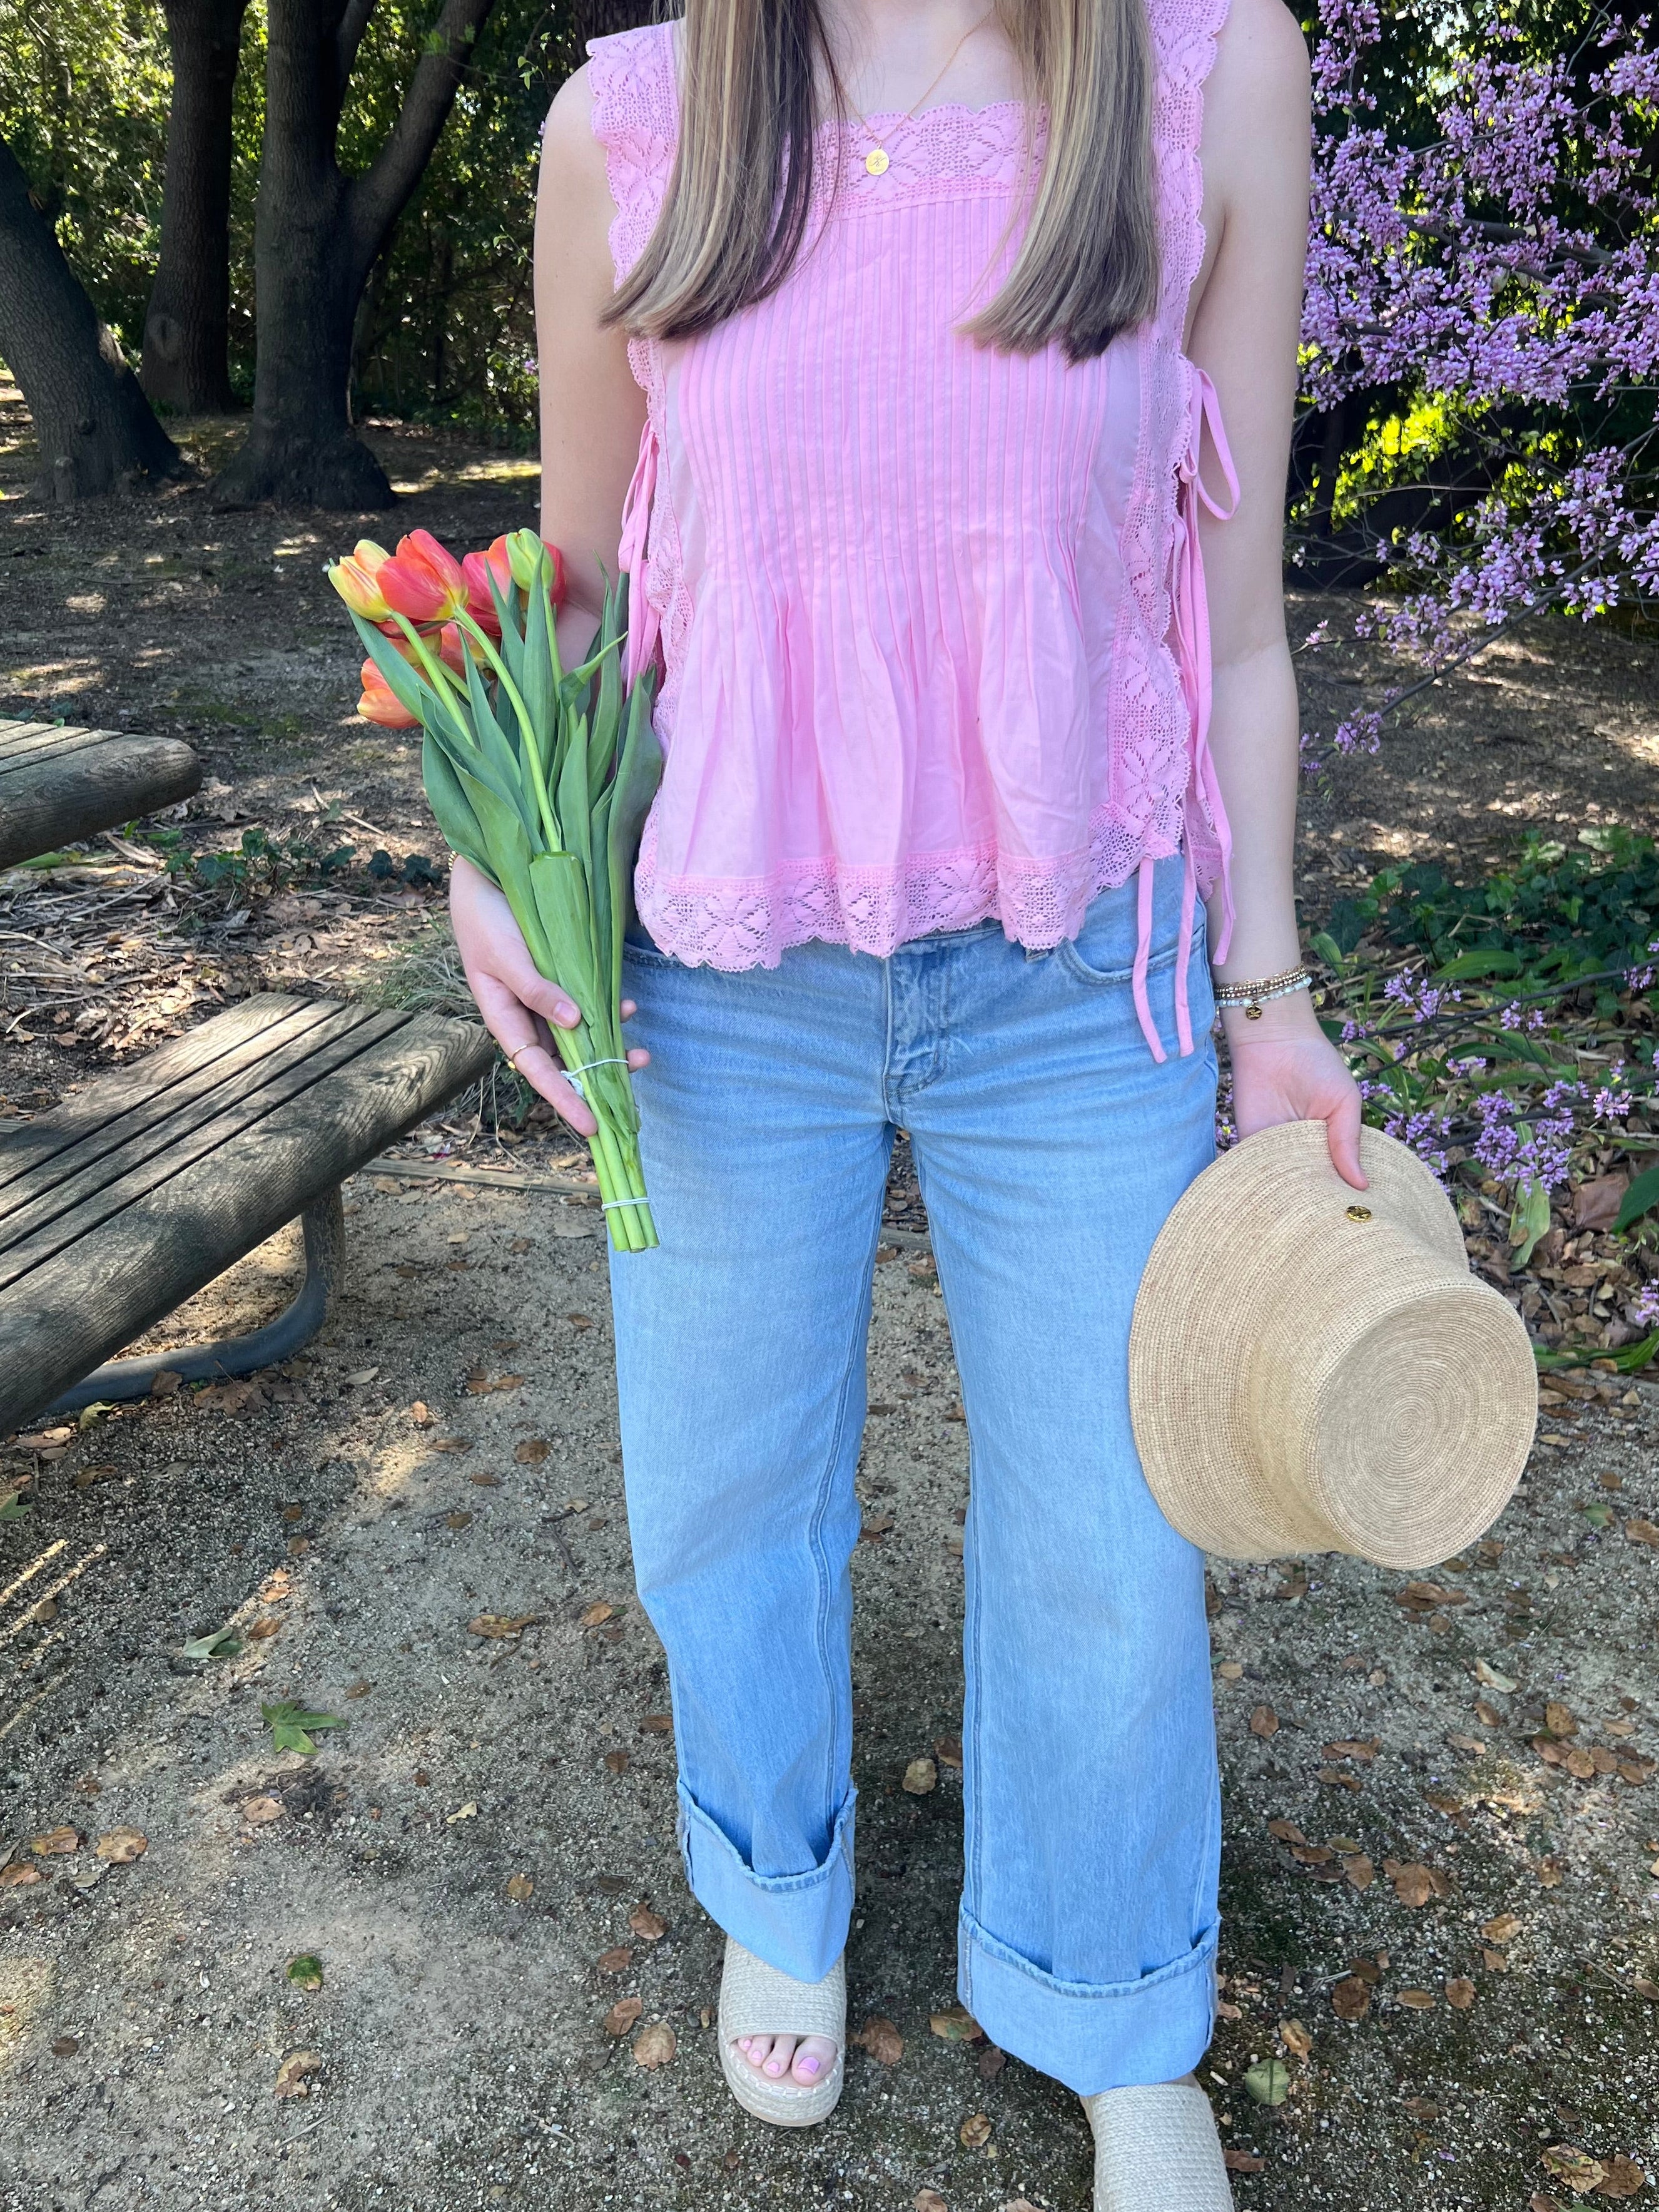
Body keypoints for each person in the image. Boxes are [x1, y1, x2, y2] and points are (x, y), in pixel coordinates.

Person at [450, 0, 1363, 2197]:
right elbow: (577, 583)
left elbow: (1236, 623)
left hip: (1078, 954)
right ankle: (777, 1887)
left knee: (1110, 1523)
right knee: (722, 1490)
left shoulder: (1203, 73)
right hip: (715, 962)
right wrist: (492, 842)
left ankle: (1105, 1988)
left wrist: (1271, 990)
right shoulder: (628, 120)